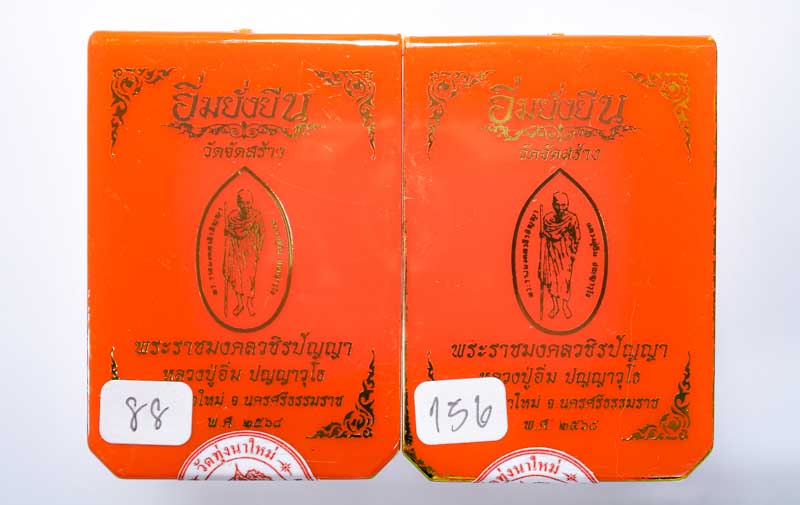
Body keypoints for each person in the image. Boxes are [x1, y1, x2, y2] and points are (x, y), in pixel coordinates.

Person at [223, 189, 265, 317]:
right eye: (242, 203)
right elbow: (228, 234)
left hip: (250, 252)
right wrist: (228, 231)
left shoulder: (257, 217)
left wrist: (258, 250)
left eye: (248, 203)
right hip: (236, 251)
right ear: (238, 203)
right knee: (236, 277)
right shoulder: (232, 217)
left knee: (249, 278)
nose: (245, 206)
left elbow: (262, 234)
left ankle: (249, 304)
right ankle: (240, 303)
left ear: (252, 203)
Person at [540, 191, 581, 319]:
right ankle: (555, 307)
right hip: (551, 253)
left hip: (565, 254)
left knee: (564, 280)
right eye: (559, 205)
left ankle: (564, 306)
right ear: (553, 204)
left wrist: (573, 252)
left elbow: (577, 236)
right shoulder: (547, 219)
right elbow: (548, 233)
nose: (562, 208)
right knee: (552, 279)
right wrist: (544, 234)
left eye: (564, 205)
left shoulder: (572, 218)